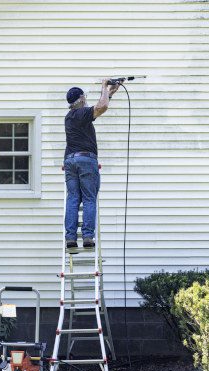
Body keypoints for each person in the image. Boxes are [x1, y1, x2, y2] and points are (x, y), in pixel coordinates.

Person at [63, 79, 121, 249]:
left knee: (73, 198)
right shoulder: (82, 113)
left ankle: (70, 238)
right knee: (89, 198)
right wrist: (104, 86)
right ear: (80, 99)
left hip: (70, 161)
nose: (86, 99)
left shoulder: (70, 117)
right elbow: (101, 107)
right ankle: (88, 237)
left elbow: (99, 106)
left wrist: (110, 92)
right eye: (84, 97)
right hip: (86, 160)